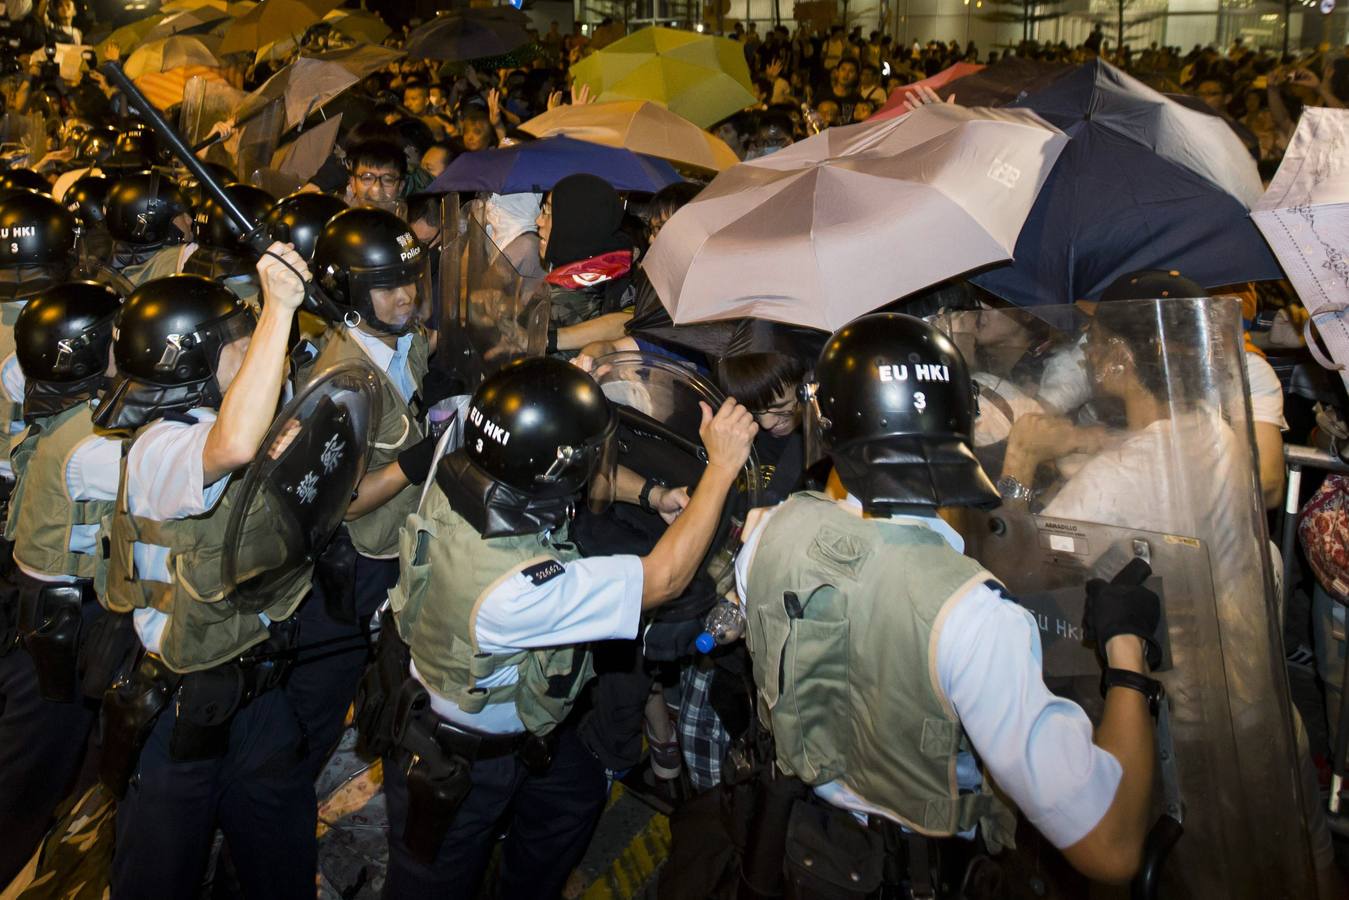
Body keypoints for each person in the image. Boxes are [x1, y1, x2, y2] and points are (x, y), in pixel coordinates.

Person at [733, 312, 1160, 889]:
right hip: (920, 871)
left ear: (828, 424)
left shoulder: (765, 535)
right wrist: (1126, 654)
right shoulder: (976, 620)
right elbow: (1110, 848)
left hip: (805, 849)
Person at [376, 355, 758, 899]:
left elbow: (559, 470)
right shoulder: (518, 588)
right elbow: (664, 579)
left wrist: (650, 493)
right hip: (461, 761)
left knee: (573, 795)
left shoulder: (466, 452)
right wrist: (721, 468)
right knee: (430, 882)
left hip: (515, 730)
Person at [93, 257, 317, 900]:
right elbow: (234, 447)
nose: (253, 352)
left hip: (261, 691)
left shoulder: (237, 412)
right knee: (157, 878)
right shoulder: (158, 448)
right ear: (188, 362)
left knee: (282, 864)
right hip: (182, 709)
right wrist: (277, 307)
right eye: (237, 342)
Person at [288, 206, 437, 781]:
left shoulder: (400, 342)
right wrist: (414, 463)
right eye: (386, 287)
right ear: (347, 291)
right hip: (354, 566)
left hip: (397, 545)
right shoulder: (340, 382)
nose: (406, 296)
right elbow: (340, 503)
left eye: (410, 279)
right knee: (322, 694)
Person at [0, 279, 122, 887]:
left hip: (44, 605)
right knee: (34, 770)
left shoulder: (46, 394)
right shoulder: (93, 447)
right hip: (65, 619)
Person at [102, 172, 192, 284]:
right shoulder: (184, 259)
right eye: (181, 215)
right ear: (153, 224)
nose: (189, 220)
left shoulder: (105, 266)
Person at [344, 138, 407, 213]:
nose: (376, 189)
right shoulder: (338, 220)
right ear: (353, 183)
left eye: (387, 180)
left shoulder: (411, 222)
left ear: (400, 187)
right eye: (367, 178)